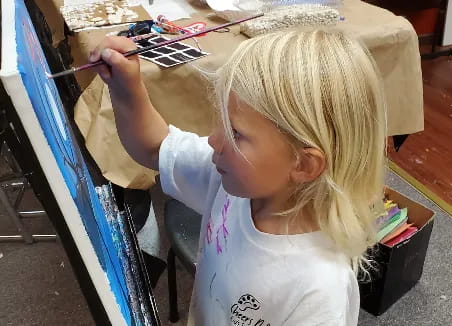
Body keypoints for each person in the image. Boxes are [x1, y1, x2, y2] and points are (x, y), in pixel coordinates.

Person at [89, 28, 387, 325]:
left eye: (236, 133)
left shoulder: (318, 292)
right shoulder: (230, 180)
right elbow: (155, 148)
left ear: (304, 165)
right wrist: (126, 87)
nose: (213, 141)